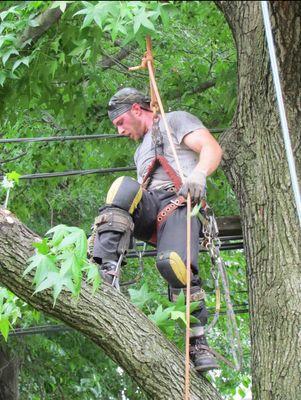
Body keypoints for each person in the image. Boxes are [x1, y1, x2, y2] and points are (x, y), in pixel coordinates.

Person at [92, 87, 223, 373]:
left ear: (137, 109)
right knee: (123, 188)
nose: (119, 131)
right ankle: (106, 268)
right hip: (152, 206)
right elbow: (135, 198)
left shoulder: (175, 120)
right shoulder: (141, 152)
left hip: (181, 203)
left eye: (120, 122)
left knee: (173, 266)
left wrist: (199, 174)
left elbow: (211, 147)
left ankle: (197, 341)